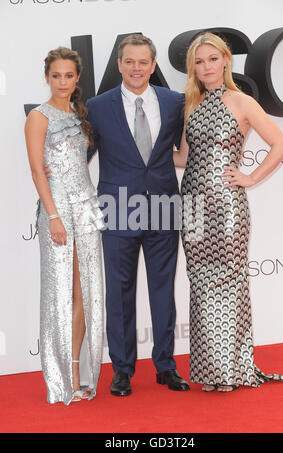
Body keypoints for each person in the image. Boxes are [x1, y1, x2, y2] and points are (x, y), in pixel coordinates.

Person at [174, 32, 283, 392]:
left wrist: (251, 177)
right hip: (192, 203)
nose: (206, 66)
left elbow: (281, 144)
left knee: (229, 282)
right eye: (199, 60)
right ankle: (210, 372)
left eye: (212, 59)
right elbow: (182, 158)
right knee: (201, 283)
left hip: (226, 205)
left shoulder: (241, 102)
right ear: (192, 66)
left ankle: (231, 371)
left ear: (226, 60)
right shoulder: (190, 105)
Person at [86, 34, 189, 396]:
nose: (136, 68)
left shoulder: (175, 102)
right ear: (119, 64)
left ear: (153, 65)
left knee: (163, 291)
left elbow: (184, 152)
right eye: (129, 61)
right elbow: (82, 156)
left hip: (164, 207)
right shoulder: (96, 106)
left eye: (143, 62)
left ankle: (165, 366)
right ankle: (122, 370)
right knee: (120, 291)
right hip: (117, 210)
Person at [25, 47, 104, 405]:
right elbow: (38, 170)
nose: (62, 81)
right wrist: (54, 216)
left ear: (77, 78)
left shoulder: (79, 113)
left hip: (86, 206)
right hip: (58, 210)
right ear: (47, 77)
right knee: (61, 293)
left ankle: (78, 368)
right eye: (56, 75)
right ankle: (62, 377)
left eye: (68, 75)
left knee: (87, 291)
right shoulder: (38, 117)